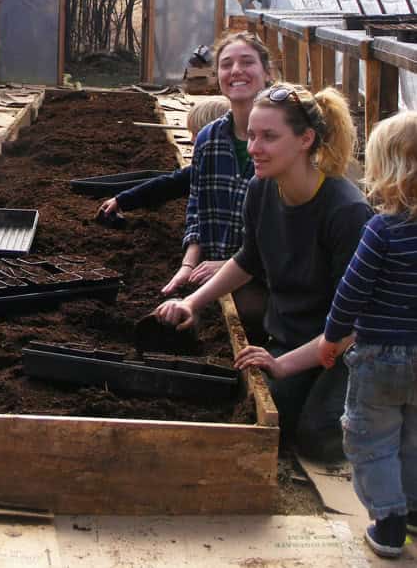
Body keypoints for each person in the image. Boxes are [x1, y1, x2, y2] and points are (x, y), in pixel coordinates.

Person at [155, 82, 374, 461]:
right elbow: (248, 260)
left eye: (269, 137)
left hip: (344, 348)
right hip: (292, 336)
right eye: (252, 135)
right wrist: (192, 302)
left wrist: (282, 364)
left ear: (306, 139)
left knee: (317, 440)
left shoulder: (346, 211)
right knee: (270, 414)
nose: (254, 148)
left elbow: (354, 326)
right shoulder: (261, 188)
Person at [318, 111, 417, 558]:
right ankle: (412, 506)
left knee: (371, 438)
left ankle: (389, 522)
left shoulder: (381, 230)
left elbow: (351, 291)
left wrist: (332, 338)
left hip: (380, 356)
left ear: (385, 168)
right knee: (412, 435)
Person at [97, 96, 229, 219]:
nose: (192, 140)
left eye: (196, 134)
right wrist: (121, 200)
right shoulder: (204, 167)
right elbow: (168, 185)